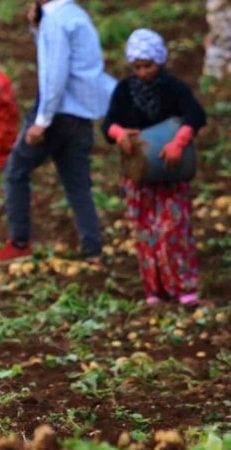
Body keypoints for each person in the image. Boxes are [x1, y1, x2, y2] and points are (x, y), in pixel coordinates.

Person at [0, 0, 117, 266]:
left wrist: (42, 122)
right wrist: (37, 28)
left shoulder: (55, 20)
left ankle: (19, 243)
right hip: (82, 113)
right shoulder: (75, 15)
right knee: (78, 183)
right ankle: (93, 250)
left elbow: (54, 74)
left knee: (16, 171)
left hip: (58, 114)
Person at [101, 29, 206, 306]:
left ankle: (183, 287)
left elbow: (195, 114)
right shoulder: (125, 90)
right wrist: (119, 134)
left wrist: (179, 141)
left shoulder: (173, 88)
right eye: (137, 67)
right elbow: (108, 123)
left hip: (170, 171)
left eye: (148, 66)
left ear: (159, 62)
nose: (143, 72)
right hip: (140, 173)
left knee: (174, 229)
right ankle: (154, 290)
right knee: (146, 232)